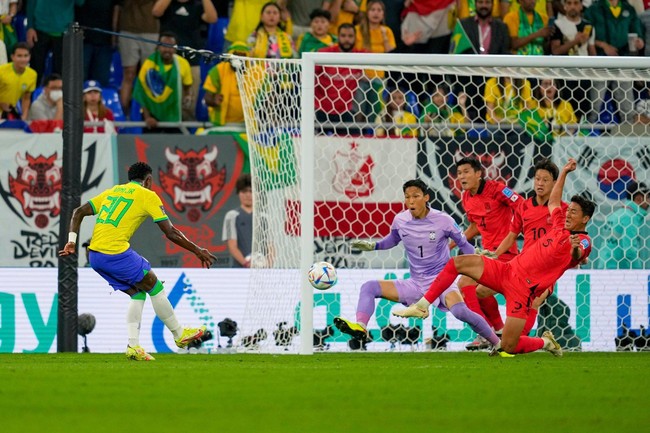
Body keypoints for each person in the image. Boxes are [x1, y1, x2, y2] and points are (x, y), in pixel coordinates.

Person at [394, 158, 596, 357]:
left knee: (510, 346)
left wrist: (577, 252)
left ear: (585, 219)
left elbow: (579, 253)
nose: (567, 214)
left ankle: (543, 342)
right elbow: (552, 202)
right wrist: (564, 173)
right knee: (458, 264)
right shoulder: (557, 219)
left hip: (526, 287)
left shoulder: (583, 240)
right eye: (568, 210)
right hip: (508, 269)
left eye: (574, 212)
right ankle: (423, 305)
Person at [59, 162, 217, 361]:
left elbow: (78, 212)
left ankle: (133, 346)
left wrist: (71, 243)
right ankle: (179, 334)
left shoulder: (113, 192)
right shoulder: (147, 195)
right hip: (114, 252)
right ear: (148, 180)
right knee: (154, 285)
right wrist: (197, 250)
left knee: (138, 293)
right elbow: (170, 232)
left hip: (95, 256)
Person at [334, 179, 502, 353]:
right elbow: (392, 240)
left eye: (415, 196)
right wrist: (373, 246)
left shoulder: (443, 220)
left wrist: (479, 255)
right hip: (415, 283)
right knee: (369, 287)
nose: (411, 201)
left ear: (426, 197)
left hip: (442, 282)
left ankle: (497, 343)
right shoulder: (400, 220)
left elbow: (463, 244)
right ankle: (360, 327)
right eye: (407, 197)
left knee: (460, 312)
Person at [451, 157, 523, 350]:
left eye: (466, 171)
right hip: (487, 255)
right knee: (475, 292)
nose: (462, 177)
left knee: (465, 283)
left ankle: (485, 334)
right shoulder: (466, 198)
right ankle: (497, 331)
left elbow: (522, 206)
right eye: (459, 173)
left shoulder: (497, 190)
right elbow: (476, 225)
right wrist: (453, 243)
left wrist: (516, 231)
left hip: (506, 255)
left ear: (478, 173)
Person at [492, 158, 568, 336]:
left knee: (534, 301)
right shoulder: (523, 206)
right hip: (523, 265)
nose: (540, 183)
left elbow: (570, 237)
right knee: (481, 291)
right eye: (537, 179)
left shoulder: (561, 210)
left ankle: (518, 341)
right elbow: (511, 237)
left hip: (546, 270)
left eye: (545, 180)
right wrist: (494, 256)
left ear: (555, 183)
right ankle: (493, 331)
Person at [153, 0, 218, 120]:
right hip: (167, 61)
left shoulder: (197, 6)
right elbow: (156, 12)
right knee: (164, 98)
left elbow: (212, 18)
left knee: (188, 102)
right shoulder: (168, 4)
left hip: (191, 62)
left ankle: (185, 132)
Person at [133, 31, 192, 133]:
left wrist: (187, 97)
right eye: (164, 46)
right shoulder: (149, 64)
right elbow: (142, 93)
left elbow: (187, 86)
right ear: (158, 47)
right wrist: (147, 117)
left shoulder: (183, 64)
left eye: (171, 46)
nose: (167, 50)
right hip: (153, 116)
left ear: (176, 48)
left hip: (174, 114)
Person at [314, 23, 366, 133]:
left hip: (347, 110)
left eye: (350, 36)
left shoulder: (362, 56)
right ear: (338, 37)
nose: (347, 39)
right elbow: (309, 74)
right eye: (343, 36)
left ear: (355, 38)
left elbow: (375, 76)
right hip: (322, 108)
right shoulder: (324, 54)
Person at [26, 0, 84, 85]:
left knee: (60, 73)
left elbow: (80, 2)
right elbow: (31, 3)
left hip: (63, 31)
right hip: (39, 30)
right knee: (35, 70)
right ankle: (32, 96)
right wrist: (30, 27)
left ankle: (57, 96)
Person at [117, 0, 159, 115]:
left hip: (151, 30)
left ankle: (150, 115)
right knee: (129, 74)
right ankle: (123, 115)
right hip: (128, 30)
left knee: (149, 75)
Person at [598, 181, 649, 269]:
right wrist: (640, 273)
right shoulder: (630, 217)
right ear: (639, 198)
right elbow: (629, 251)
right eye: (648, 197)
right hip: (618, 273)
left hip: (604, 268)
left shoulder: (616, 214)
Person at [203, 41, 248, 126]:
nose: (239, 59)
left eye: (243, 55)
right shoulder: (218, 71)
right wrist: (213, 101)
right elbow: (207, 98)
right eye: (236, 55)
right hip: (221, 124)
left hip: (248, 126)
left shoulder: (256, 74)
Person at [222, 174, 254, 268]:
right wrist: (246, 263)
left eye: (251, 191)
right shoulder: (231, 216)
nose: (248, 195)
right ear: (238, 193)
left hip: (262, 271)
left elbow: (271, 246)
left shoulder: (264, 217)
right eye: (244, 191)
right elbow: (232, 246)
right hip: (239, 270)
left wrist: (266, 265)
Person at [0, 42, 37, 120]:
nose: (23, 59)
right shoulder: (1, 71)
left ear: (30, 57)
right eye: (19, 56)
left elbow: (26, 98)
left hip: (8, 113)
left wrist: (24, 116)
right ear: (12, 57)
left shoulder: (32, 75)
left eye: (25, 56)